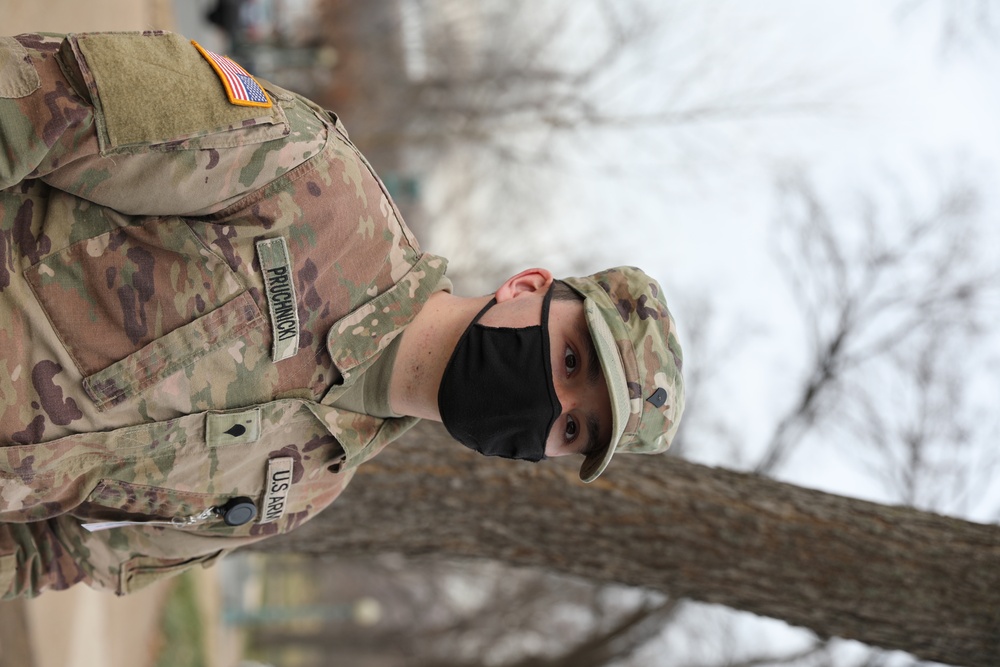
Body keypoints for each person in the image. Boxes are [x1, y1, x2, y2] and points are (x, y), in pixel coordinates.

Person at [0, 31, 684, 599]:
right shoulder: (316, 182)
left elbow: (59, 552)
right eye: (570, 358)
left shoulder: (301, 489)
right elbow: (42, 105)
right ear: (527, 286)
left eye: (572, 427)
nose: (550, 402)